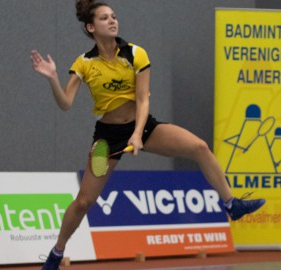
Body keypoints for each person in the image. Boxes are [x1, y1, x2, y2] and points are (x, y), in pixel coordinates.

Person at [30, 1, 265, 269]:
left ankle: (231, 204)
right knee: (84, 201)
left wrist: (138, 134)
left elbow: (143, 100)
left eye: (114, 16)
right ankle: (57, 252)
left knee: (199, 147)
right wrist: (52, 79)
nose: (112, 21)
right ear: (91, 26)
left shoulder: (135, 54)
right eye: (105, 18)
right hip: (108, 136)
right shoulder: (83, 63)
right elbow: (65, 104)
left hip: (144, 126)